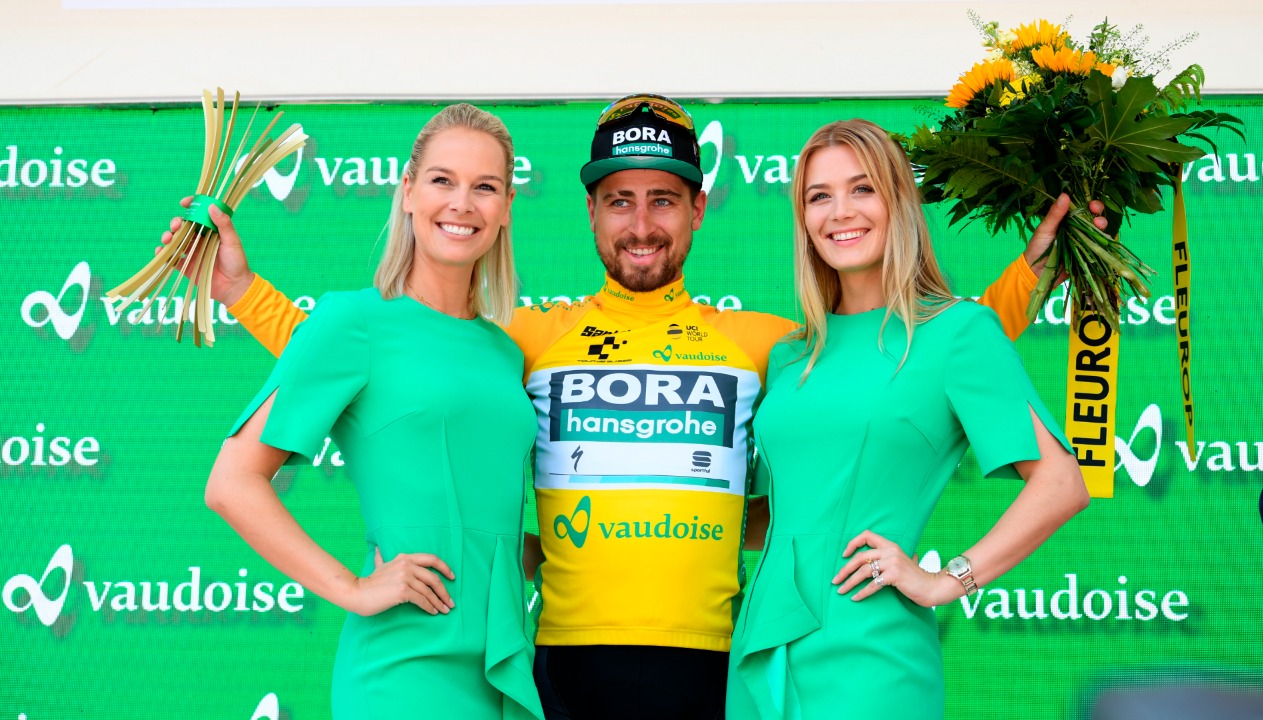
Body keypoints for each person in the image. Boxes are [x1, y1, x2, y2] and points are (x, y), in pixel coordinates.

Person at [183, 95, 1089, 719]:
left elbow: (895, 363)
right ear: (589, 213)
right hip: (557, 660)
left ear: (698, 210)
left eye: (663, 200)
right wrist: (245, 296)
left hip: (723, 660)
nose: (641, 222)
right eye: (619, 201)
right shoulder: (522, 342)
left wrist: (1035, 275)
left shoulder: (775, 345)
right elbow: (404, 360)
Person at [725, 118, 1091, 720]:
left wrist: (947, 580)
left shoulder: (958, 332)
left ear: (899, 201)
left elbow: (1061, 484)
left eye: (862, 188)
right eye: (819, 196)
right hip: (760, 647)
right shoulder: (791, 355)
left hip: (871, 657)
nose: (840, 212)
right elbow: (783, 517)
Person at [204, 103, 544, 719]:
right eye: (442, 180)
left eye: (485, 187)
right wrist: (351, 588)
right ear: (408, 192)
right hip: (403, 667)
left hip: (503, 663)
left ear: (506, 207)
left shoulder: (504, 353)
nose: (462, 203)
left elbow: (481, 515)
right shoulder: (351, 321)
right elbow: (232, 483)